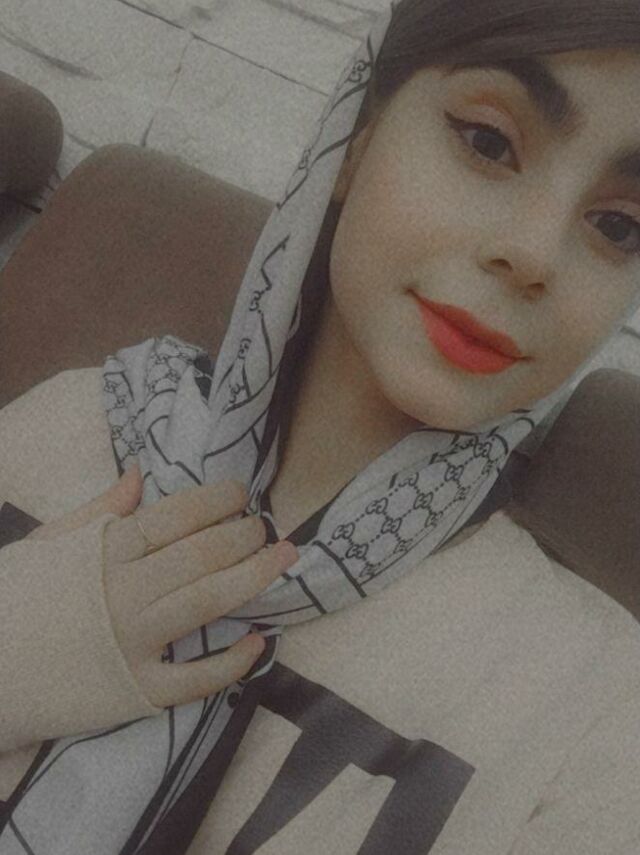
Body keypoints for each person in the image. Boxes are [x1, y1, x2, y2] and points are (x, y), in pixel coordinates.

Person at [1, 0, 640, 852]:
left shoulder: (593, 710)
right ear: (358, 133)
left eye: (619, 225)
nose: (534, 252)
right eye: (489, 142)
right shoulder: (73, 421)